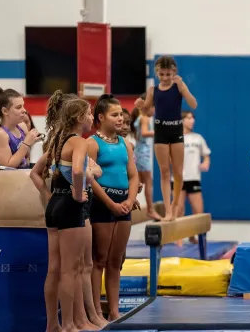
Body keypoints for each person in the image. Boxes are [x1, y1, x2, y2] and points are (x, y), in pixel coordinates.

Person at [32, 98, 94, 332]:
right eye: (89, 113)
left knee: (54, 268)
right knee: (71, 269)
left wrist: (50, 197)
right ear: (79, 118)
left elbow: (35, 174)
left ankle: (52, 325)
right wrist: (78, 194)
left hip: (55, 205)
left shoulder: (57, 140)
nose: (91, 117)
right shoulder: (79, 141)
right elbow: (78, 170)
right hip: (70, 206)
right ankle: (68, 325)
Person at [88, 94, 139, 321]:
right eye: (114, 115)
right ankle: (96, 310)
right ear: (101, 117)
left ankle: (115, 310)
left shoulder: (124, 143)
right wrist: (111, 204)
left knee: (115, 262)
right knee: (99, 259)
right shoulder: (92, 143)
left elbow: (133, 175)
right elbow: (91, 180)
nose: (120, 119)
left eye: (121, 114)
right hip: (102, 203)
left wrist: (129, 200)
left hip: (123, 204)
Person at [135, 56, 197, 221]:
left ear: (174, 72)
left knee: (177, 172)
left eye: (168, 74)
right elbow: (147, 110)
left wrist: (183, 87)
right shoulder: (152, 90)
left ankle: (176, 205)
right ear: (157, 73)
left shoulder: (178, 87)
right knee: (164, 171)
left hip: (176, 129)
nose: (165, 77)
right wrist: (141, 106)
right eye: (161, 74)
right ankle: (168, 209)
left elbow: (194, 104)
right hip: (160, 130)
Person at [172, 111, 211, 244]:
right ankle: (179, 238)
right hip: (178, 179)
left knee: (198, 210)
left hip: (193, 177)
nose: (192, 121)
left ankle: (194, 236)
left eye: (193, 118)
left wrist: (205, 162)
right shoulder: (175, 137)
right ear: (182, 120)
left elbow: (206, 154)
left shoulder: (198, 138)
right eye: (189, 118)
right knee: (179, 209)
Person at [0, 87, 42, 168]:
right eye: (19, 107)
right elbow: (9, 166)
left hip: (22, 175)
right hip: (6, 178)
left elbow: (26, 156)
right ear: (5, 111)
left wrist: (34, 143)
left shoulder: (22, 126)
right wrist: (26, 143)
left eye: (23, 106)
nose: (24, 110)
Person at [133, 93, 162, 220]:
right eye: (154, 107)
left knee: (136, 182)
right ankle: (150, 209)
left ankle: (131, 202)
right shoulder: (145, 118)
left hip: (140, 152)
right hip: (143, 153)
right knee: (148, 182)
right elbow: (144, 133)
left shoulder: (140, 116)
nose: (155, 111)